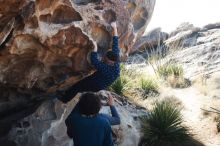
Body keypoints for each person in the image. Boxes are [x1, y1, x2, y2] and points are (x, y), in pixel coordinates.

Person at [55, 22, 120, 103]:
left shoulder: (107, 69)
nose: (104, 58)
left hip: (97, 83)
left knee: (79, 86)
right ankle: (72, 96)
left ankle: (65, 99)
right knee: (85, 90)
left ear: (110, 61)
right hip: (102, 82)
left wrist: (95, 48)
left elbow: (95, 62)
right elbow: (116, 42)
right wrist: (114, 27)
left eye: (105, 58)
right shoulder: (116, 57)